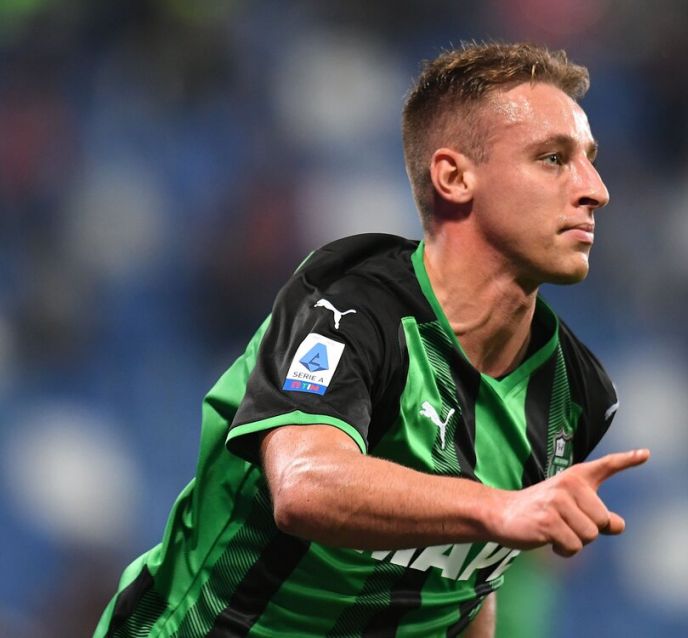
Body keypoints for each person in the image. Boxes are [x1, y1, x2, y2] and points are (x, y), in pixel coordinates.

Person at [94, 41, 649, 638]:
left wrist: (494, 527)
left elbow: (463, 589)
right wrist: (497, 508)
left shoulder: (572, 394)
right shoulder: (351, 305)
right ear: (455, 177)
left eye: (590, 159)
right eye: (552, 158)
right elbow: (304, 485)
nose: (595, 188)